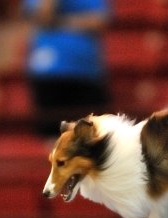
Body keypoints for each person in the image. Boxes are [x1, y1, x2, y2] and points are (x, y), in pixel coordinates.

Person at [23, 0, 110, 135]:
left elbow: (99, 20)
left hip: (85, 72)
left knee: (90, 132)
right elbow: (43, 15)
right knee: (52, 133)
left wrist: (64, 22)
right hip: (49, 73)